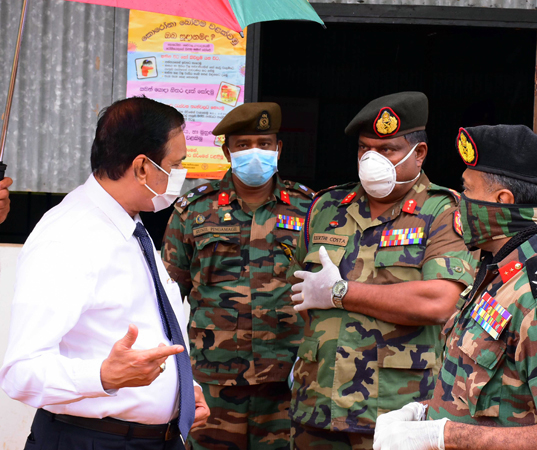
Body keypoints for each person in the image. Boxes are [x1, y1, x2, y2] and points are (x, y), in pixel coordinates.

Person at [0, 97, 209, 450]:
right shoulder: (69, 238)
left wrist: (182, 391)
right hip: (91, 440)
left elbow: (143, 327)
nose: (180, 175)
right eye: (175, 165)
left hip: (152, 438)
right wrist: (102, 376)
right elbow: (20, 372)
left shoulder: (130, 225)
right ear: (142, 168)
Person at [374, 125, 537, 450]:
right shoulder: (501, 271)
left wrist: (442, 436)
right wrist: (426, 414)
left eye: (467, 190)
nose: (460, 202)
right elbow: (495, 397)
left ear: (502, 200)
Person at [289, 92, 475, 449]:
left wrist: (341, 292)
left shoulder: (442, 211)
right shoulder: (326, 207)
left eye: (387, 149)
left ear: (419, 153)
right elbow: (298, 290)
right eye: (365, 148)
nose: (372, 159)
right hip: (317, 406)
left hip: (394, 412)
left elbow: (439, 302)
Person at [161, 102, 314, 450]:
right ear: (227, 152)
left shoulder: (309, 209)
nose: (255, 152)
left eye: (264, 143)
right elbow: (166, 298)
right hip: (213, 381)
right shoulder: (193, 211)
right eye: (243, 145)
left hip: (286, 380)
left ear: (278, 149)